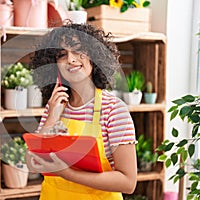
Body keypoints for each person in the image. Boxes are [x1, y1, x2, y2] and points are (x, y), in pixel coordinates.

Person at [26, 22, 137, 200]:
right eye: (62, 55)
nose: (71, 59)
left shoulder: (113, 110)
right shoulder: (55, 106)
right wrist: (50, 120)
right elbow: (31, 164)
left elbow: (128, 182)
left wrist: (67, 173)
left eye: (78, 50)